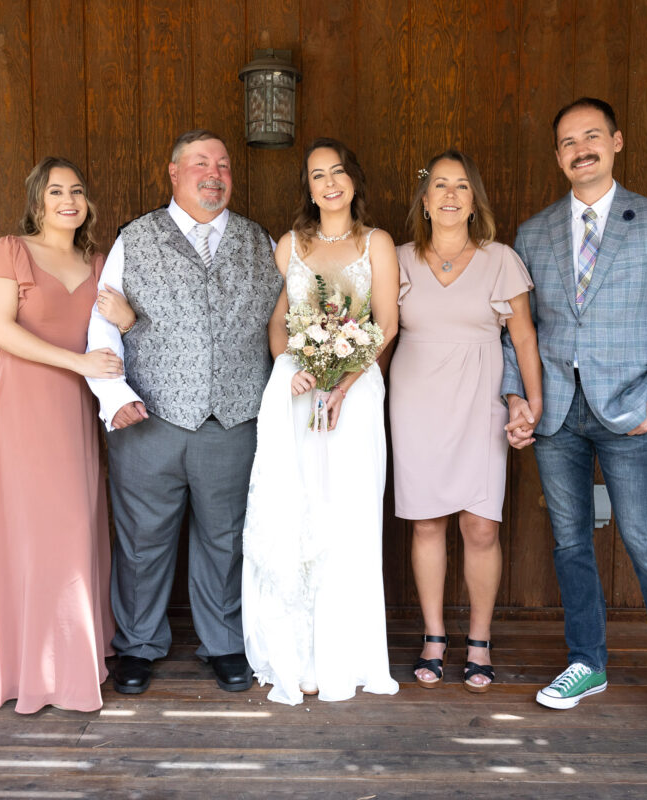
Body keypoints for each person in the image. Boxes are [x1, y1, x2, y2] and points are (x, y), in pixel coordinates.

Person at [502, 98, 647, 745]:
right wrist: (517, 398)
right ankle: (587, 662)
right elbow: (519, 334)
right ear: (558, 156)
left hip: (630, 414)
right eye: (568, 141)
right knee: (570, 545)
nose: (581, 148)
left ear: (616, 142)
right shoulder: (532, 234)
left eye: (592, 136)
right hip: (556, 416)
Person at [85, 130, 281, 695]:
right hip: (149, 417)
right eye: (200, 163)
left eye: (222, 164)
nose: (213, 173)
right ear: (174, 173)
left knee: (226, 539)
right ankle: (139, 645)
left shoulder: (257, 238)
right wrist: (114, 397)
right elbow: (103, 322)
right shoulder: (134, 237)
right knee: (143, 539)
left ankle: (223, 643)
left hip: (235, 418)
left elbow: (278, 319)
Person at [241, 138, 401, 705]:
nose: (329, 182)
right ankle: (298, 653)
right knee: (298, 510)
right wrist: (292, 373)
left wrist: (344, 384)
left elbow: (385, 325)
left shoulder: (376, 243)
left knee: (347, 516)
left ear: (354, 180)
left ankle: (344, 655)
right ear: (307, 188)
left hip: (355, 397)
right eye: (317, 175)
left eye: (337, 171)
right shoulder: (290, 245)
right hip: (298, 393)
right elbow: (278, 322)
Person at [0, 156, 127, 713]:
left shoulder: (99, 260)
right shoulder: (6, 251)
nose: (69, 200)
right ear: (37, 199)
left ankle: (73, 658)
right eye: (56, 190)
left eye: (77, 191)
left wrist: (124, 318)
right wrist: (78, 362)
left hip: (73, 410)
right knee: (30, 531)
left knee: (74, 527)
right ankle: (25, 667)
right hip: (21, 405)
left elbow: (118, 328)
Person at [389, 149, 542, 693]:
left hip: (481, 396)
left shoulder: (501, 258)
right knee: (426, 521)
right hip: (415, 396)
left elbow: (523, 336)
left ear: (473, 200)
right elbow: (379, 332)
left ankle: (479, 638)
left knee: (480, 524)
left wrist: (533, 402)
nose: (451, 195)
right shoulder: (398, 258)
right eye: (441, 187)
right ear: (425, 201)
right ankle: (434, 636)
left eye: (462, 186)